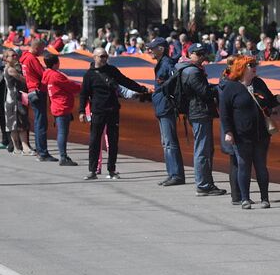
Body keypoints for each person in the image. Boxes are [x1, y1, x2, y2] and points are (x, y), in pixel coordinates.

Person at [78, 47, 148, 180]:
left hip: (113, 110)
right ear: (94, 57)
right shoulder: (89, 75)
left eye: (105, 56)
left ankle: (112, 170)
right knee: (94, 141)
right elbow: (84, 95)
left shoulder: (112, 70)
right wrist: (81, 111)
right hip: (98, 112)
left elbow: (125, 81)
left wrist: (141, 89)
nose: (104, 59)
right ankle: (92, 170)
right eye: (101, 56)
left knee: (113, 141)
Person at [219, 56, 278, 208]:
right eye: (250, 65)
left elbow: (270, 101)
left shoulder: (259, 83)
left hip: (261, 135)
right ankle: (245, 198)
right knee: (243, 166)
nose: (254, 67)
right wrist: (228, 132)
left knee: (261, 166)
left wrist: (279, 98)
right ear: (242, 68)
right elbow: (225, 113)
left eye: (254, 64)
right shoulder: (231, 87)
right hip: (241, 135)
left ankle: (265, 198)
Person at [177, 44, 225, 196]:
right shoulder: (193, 72)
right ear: (190, 54)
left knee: (205, 149)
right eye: (197, 53)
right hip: (199, 113)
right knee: (202, 150)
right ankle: (203, 185)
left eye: (203, 53)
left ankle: (206, 183)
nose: (201, 56)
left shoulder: (190, 69)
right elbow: (204, 92)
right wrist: (219, 87)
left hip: (198, 112)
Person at [147, 39, 186, 186]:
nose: (149, 50)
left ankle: (176, 175)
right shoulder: (162, 63)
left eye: (152, 48)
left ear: (161, 49)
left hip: (166, 107)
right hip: (161, 107)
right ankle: (172, 173)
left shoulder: (167, 64)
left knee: (170, 143)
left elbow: (174, 83)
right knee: (166, 143)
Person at [39, 54, 81, 166]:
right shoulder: (56, 76)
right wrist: (84, 87)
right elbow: (71, 86)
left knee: (62, 131)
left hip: (56, 105)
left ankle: (63, 155)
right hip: (61, 106)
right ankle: (63, 156)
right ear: (55, 63)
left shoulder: (46, 74)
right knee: (63, 132)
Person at [20, 36, 52, 161]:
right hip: (37, 91)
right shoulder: (31, 59)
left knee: (38, 122)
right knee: (41, 123)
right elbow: (42, 74)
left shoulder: (24, 58)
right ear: (37, 47)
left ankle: (40, 151)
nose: (43, 51)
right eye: (42, 49)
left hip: (31, 91)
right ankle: (42, 152)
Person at [0, 58, 30, 155]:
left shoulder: (12, 68)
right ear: (6, 58)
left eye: (15, 55)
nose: (15, 57)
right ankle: (20, 147)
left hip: (15, 98)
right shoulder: (10, 69)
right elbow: (24, 80)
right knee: (16, 123)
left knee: (17, 123)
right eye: (11, 56)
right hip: (13, 99)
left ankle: (19, 148)